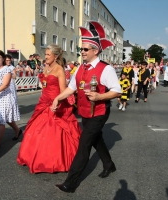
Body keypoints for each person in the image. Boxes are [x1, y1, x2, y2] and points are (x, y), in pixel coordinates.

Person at [51, 21, 121, 193]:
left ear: (95, 51)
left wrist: (99, 96)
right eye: (80, 49)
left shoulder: (106, 69)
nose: (81, 52)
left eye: (85, 49)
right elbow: (71, 88)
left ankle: (71, 183)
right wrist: (58, 98)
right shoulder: (80, 68)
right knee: (96, 139)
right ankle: (109, 164)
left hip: (99, 112)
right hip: (84, 111)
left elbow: (117, 91)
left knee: (84, 144)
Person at [17, 44, 81, 173]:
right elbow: (44, 85)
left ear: (55, 56)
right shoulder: (46, 67)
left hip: (55, 104)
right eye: (45, 54)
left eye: (48, 55)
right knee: (37, 130)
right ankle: (33, 157)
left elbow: (63, 90)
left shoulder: (59, 69)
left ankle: (52, 161)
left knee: (52, 131)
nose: (45, 57)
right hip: (43, 102)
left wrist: (57, 102)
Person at [5, 55, 23, 140]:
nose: (8, 61)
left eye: (9, 60)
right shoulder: (1, 67)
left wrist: (7, 76)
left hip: (10, 87)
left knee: (9, 109)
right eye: (7, 60)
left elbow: (15, 76)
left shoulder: (12, 67)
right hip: (3, 88)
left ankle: (16, 129)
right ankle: (16, 130)